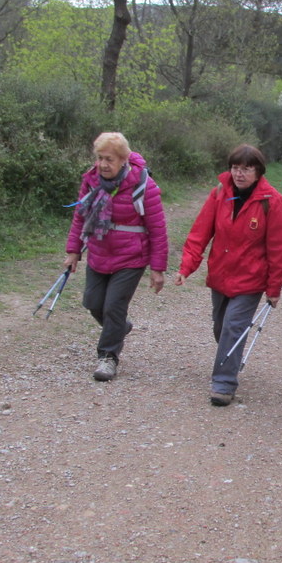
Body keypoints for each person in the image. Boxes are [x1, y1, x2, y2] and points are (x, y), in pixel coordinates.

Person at [176, 144, 282, 406]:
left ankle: (224, 383)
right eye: (235, 168)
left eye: (246, 169)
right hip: (220, 276)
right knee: (221, 327)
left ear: (258, 171)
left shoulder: (271, 202)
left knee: (232, 327)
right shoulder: (219, 193)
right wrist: (186, 268)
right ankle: (230, 356)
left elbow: (279, 248)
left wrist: (274, 289)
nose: (239, 174)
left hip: (250, 281)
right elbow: (199, 233)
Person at [64, 132, 168, 382]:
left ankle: (108, 357)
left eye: (109, 159)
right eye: (100, 158)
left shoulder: (144, 185)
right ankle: (120, 328)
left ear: (123, 160)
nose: (103, 165)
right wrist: (73, 250)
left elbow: (157, 229)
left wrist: (157, 269)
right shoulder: (91, 181)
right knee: (92, 302)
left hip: (131, 257)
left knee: (113, 307)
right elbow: (81, 216)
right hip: (99, 253)